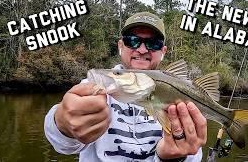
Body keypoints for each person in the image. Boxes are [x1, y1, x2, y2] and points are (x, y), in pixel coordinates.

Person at [44, 12, 207, 162]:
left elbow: (194, 156)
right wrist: (63, 124)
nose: (142, 49)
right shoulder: (97, 86)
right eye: (132, 41)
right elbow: (63, 145)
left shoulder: (183, 98)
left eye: (153, 43)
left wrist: (172, 157)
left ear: (163, 51)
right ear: (120, 46)